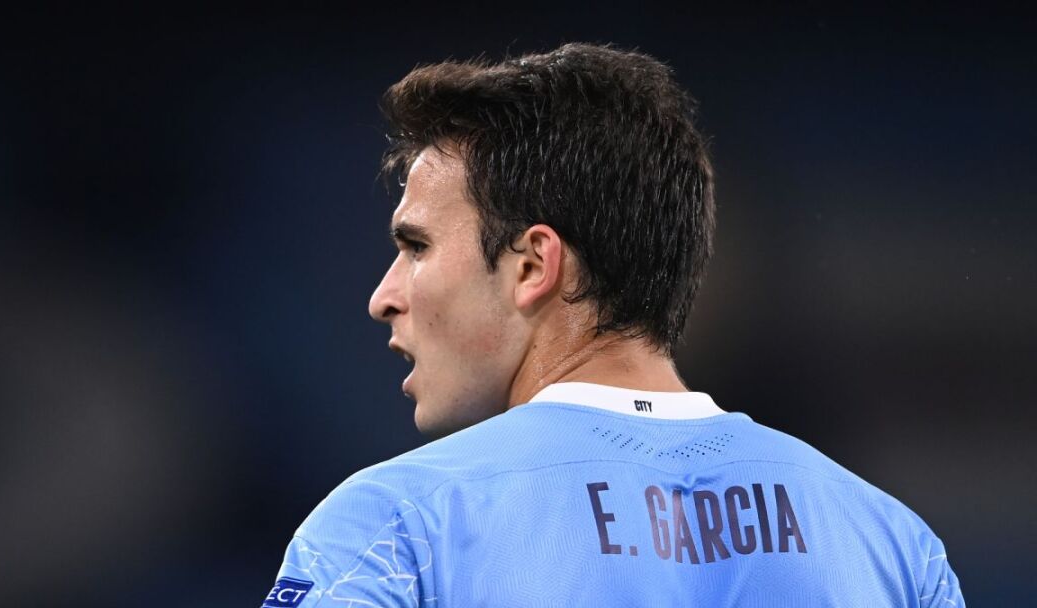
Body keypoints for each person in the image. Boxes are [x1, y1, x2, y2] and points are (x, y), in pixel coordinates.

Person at [261, 43, 963, 607]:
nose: (383, 297)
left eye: (417, 247)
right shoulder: (894, 548)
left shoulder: (394, 529)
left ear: (533, 266)